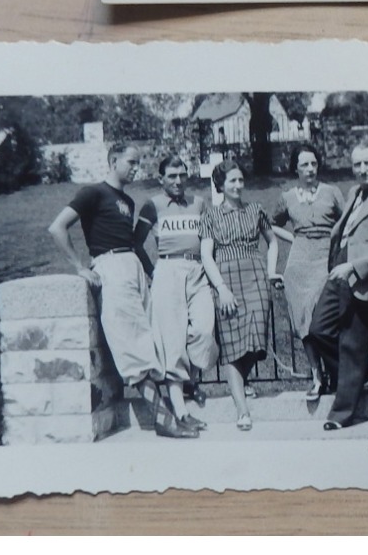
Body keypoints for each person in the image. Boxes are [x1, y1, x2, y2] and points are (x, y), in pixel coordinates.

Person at [47, 143, 196, 438]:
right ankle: (163, 422)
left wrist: (150, 272)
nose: (135, 167)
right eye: (130, 161)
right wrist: (79, 266)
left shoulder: (126, 200)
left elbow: (131, 242)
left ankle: (176, 413)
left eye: (138, 162)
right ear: (113, 161)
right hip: (111, 267)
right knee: (133, 346)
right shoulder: (93, 192)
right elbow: (57, 227)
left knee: (153, 341)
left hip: (134, 269)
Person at [305, 141, 368, 431]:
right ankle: (365, 375)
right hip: (339, 272)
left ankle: (341, 415)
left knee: (351, 344)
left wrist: (354, 266)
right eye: (357, 164)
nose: (362, 169)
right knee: (317, 331)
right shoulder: (354, 193)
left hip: (363, 279)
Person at [133, 154, 217, 435]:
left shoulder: (198, 204)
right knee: (172, 341)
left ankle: (189, 383)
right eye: (172, 176)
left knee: (204, 330)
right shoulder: (153, 205)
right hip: (168, 270)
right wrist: (151, 271)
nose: (178, 181)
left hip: (197, 269)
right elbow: (136, 242)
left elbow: (208, 241)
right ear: (162, 179)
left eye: (182, 175)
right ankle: (181, 410)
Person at [198, 160, 281, 432]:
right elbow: (206, 256)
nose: (237, 185)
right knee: (233, 346)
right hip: (226, 281)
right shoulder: (210, 216)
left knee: (255, 339)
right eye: (231, 181)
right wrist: (221, 288)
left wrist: (270, 272)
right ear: (220, 185)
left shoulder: (255, 210)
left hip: (255, 277)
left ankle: (241, 383)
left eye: (240, 180)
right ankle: (242, 409)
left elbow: (273, 242)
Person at [269, 142, 346, 397]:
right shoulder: (288, 197)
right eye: (304, 164)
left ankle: (338, 374)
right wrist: (293, 238)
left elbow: (347, 222)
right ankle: (317, 376)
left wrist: (336, 242)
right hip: (299, 262)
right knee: (303, 321)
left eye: (313, 163)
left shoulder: (332, 192)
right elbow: (272, 225)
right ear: (295, 168)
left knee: (322, 320)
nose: (310, 169)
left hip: (326, 257)